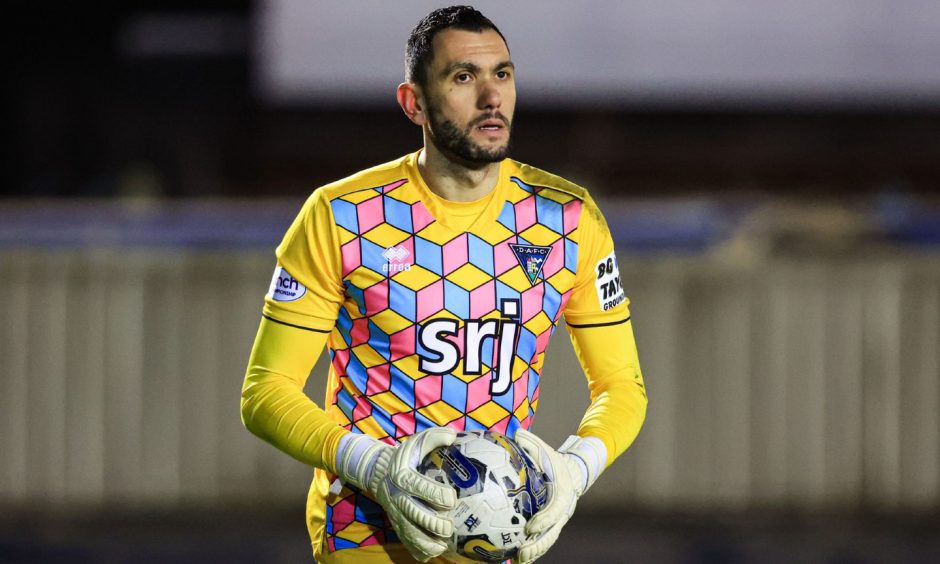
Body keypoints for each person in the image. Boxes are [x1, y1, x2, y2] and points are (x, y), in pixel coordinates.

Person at [241, 6, 647, 563]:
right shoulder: (342, 216)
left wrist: (573, 471)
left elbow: (622, 386)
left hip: (500, 540)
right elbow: (265, 392)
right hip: (364, 533)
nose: (491, 98)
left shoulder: (568, 218)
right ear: (413, 103)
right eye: (463, 77)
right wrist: (374, 468)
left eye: (502, 74)